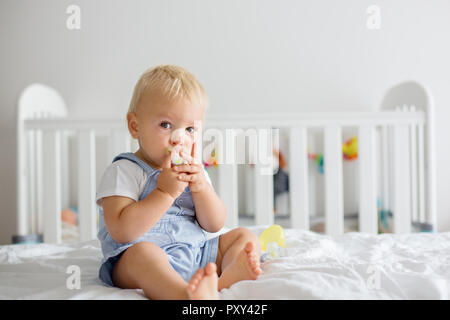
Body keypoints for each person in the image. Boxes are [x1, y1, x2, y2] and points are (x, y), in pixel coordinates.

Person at [96, 65, 262, 299]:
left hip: (196, 252)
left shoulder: (194, 172)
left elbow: (213, 224)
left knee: (244, 236)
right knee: (142, 255)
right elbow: (123, 232)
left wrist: (201, 189)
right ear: (135, 126)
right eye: (166, 125)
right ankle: (183, 295)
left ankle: (223, 279)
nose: (179, 139)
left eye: (190, 129)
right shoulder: (124, 171)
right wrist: (164, 193)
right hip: (141, 258)